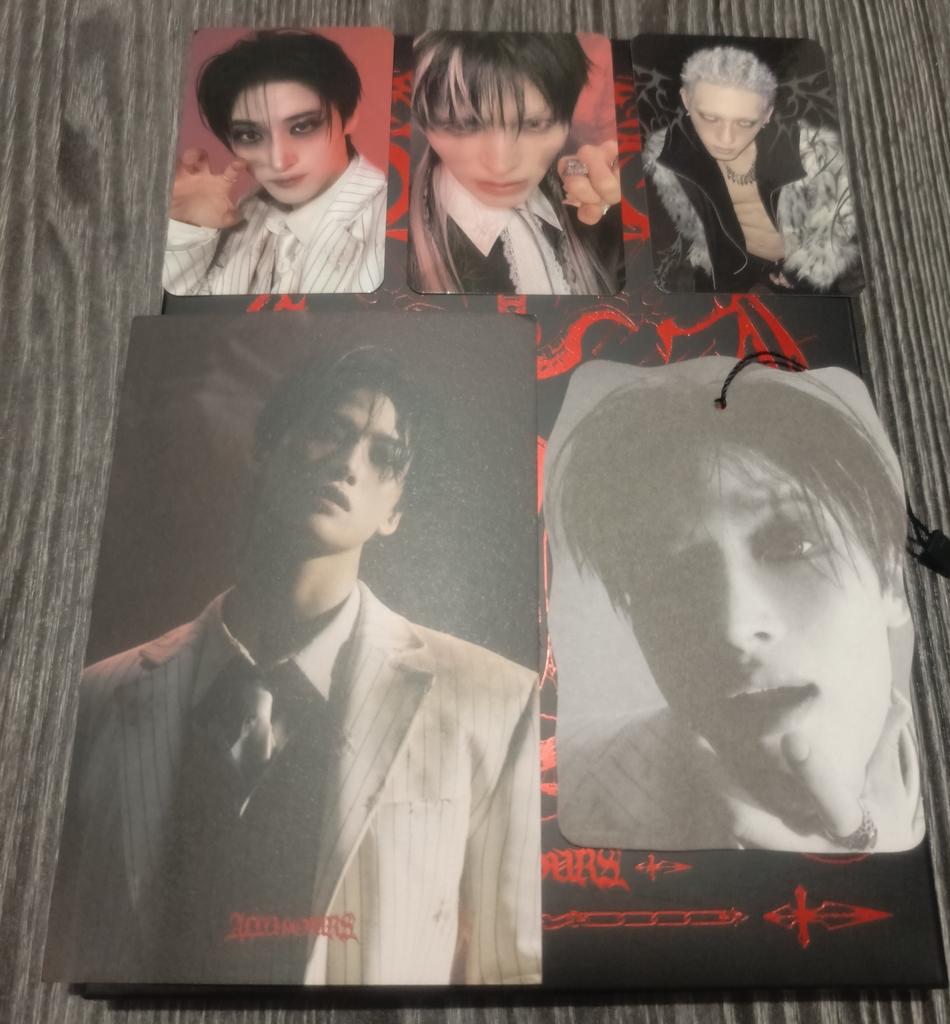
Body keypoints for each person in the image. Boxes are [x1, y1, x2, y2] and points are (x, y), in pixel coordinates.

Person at [45, 347, 541, 985]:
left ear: (395, 512)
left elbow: (511, 975)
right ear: (266, 447)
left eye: (384, 456)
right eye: (330, 431)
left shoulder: (497, 702)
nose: (349, 464)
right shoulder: (95, 698)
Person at [544, 356, 924, 853]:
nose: (734, 625)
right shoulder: (552, 790)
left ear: (891, 579)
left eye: (793, 545)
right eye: (674, 575)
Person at [163, 30, 387, 296]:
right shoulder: (248, 209)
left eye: (302, 127)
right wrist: (188, 228)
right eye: (250, 135)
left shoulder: (392, 226)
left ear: (349, 117)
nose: (279, 162)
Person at [409, 31, 623, 295]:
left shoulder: (589, 200)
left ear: (567, 121)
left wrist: (620, 207)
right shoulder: (388, 238)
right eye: (464, 125)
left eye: (535, 124)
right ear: (424, 123)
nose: (501, 166)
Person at [642, 45, 861, 293]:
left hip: (806, 272)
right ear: (686, 100)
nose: (726, 138)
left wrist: (801, 271)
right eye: (710, 118)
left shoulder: (808, 153)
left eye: (745, 123)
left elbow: (842, 224)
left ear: (767, 115)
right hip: (733, 275)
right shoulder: (669, 156)